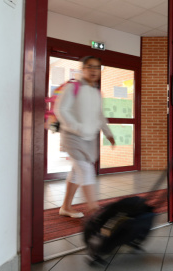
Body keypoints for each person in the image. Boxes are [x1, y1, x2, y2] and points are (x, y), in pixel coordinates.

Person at [55, 56, 115, 218]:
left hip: (89, 138)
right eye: (90, 67)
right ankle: (94, 209)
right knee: (86, 170)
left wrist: (108, 133)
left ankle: (66, 207)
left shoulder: (97, 92)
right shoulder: (73, 87)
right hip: (72, 137)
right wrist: (77, 127)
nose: (94, 70)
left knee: (77, 171)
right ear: (83, 69)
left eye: (97, 67)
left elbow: (99, 115)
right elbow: (61, 110)